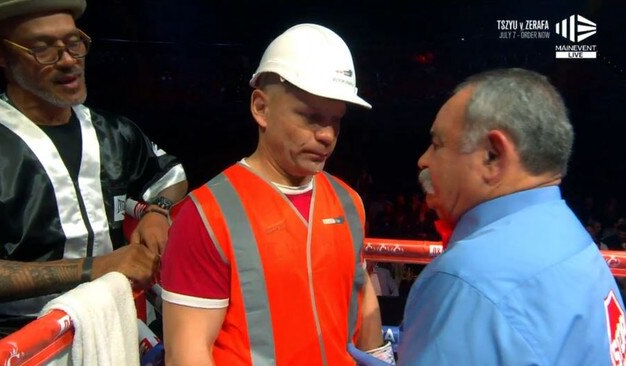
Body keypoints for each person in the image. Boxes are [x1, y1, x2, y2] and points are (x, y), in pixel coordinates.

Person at [160, 23, 394, 365]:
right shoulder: (206, 215)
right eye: (311, 117)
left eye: (336, 120)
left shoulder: (349, 202)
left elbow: (363, 296)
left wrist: (380, 358)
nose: (327, 135)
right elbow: (188, 353)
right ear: (261, 108)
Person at [0, 0, 188, 348]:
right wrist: (96, 268)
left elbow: (171, 175)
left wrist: (157, 210)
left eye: (74, 42)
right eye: (42, 48)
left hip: (111, 324)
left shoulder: (113, 131)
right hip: (15, 341)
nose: (68, 60)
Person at [395, 68, 625, 364]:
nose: (423, 160)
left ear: (492, 156)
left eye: (438, 144)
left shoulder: (467, 279)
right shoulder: (573, 238)